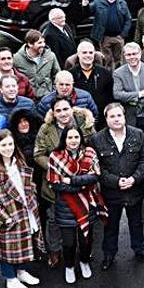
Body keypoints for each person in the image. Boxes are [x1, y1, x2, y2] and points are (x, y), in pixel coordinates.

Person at [90, 104, 144, 270]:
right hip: (111, 192)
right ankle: (108, 255)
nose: (116, 119)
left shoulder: (138, 134)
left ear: (124, 116)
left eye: (119, 115)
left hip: (135, 189)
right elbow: (97, 168)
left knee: (136, 222)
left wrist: (134, 178)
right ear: (106, 119)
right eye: (112, 116)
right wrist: (115, 181)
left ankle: (140, 249)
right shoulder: (97, 139)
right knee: (110, 224)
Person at [34, 96, 96, 268]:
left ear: (72, 108)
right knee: (54, 220)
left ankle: (85, 251)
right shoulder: (46, 129)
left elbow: (92, 148)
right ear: (53, 113)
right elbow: (38, 154)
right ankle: (54, 250)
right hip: (57, 185)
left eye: (65, 109)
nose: (62, 113)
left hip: (83, 184)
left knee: (85, 218)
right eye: (58, 110)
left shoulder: (85, 123)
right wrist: (57, 168)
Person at [0, 129, 44, 288]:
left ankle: (21, 272)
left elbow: (29, 184)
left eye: (10, 144)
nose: (8, 148)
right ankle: (10, 278)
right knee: (8, 248)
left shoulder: (19, 162)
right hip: (8, 215)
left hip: (26, 210)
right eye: (4, 145)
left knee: (24, 242)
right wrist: (4, 218)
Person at [46, 126, 105, 284]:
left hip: (87, 204)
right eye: (70, 137)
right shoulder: (55, 156)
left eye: (76, 137)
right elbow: (55, 183)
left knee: (86, 240)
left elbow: (95, 176)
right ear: (64, 139)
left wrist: (71, 180)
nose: (73, 141)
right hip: (66, 206)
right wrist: (81, 184)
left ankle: (84, 262)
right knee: (69, 243)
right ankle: (69, 266)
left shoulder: (90, 153)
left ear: (81, 138)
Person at [114, 42, 144, 157]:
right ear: (124, 56)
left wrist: (138, 103)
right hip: (132, 118)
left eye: (134, 54)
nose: (132, 57)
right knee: (134, 153)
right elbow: (117, 94)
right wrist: (139, 94)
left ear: (140, 54)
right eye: (129, 55)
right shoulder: (118, 73)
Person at [86, 0, 132, 69]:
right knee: (107, 61)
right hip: (105, 38)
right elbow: (87, 12)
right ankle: (109, 79)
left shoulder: (122, 3)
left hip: (119, 37)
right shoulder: (97, 2)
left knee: (119, 60)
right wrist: (85, 6)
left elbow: (128, 20)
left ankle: (119, 77)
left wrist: (123, 34)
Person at [70, 39, 114, 128]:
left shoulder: (105, 73)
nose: (88, 55)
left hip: (102, 120)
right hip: (79, 121)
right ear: (78, 54)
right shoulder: (71, 74)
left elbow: (110, 98)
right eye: (84, 52)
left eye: (90, 52)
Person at [14, 29, 61, 99]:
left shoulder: (51, 56)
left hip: (47, 97)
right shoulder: (16, 59)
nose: (43, 45)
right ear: (30, 44)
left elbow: (57, 75)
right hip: (28, 99)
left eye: (43, 42)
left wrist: (53, 92)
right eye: (39, 43)